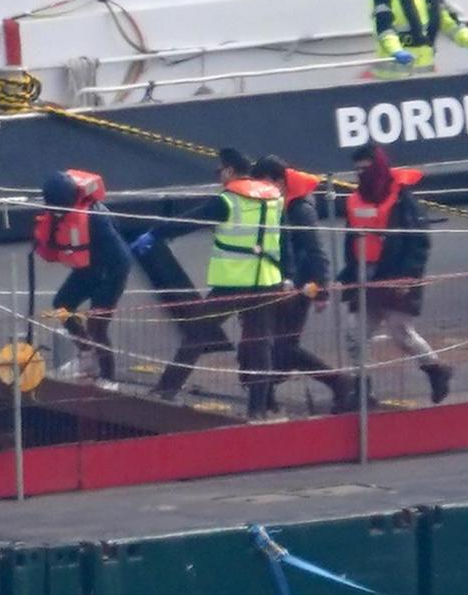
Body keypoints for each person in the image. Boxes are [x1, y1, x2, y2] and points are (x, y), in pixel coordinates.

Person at [146, 148, 287, 413]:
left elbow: (189, 221)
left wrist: (155, 232)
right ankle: (257, 410)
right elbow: (284, 240)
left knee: (196, 332)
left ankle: (166, 390)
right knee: (261, 346)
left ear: (231, 171)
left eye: (219, 170)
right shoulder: (274, 198)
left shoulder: (227, 200)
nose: (218, 176)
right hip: (268, 281)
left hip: (233, 282)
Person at [341, 147, 453, 403]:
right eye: (357, 169)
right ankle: (362, 391)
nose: (361, 174)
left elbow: (419, 242)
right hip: (363, 274)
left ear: (378, 166)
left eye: (366, 168)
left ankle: (436, 370)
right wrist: (347, 274)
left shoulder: (402, 199)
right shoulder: (355, 200)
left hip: (395, 274)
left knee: (400, 332)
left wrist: (408, 277)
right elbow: (351, 240)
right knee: (355, 334)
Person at [249, 155, 357, 414]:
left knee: (283, 347)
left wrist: (322, 289)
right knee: (273, 344)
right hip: (281, 285)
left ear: (278, 180)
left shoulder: (299, 209)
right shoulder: (281, 204)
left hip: (300, 288)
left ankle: (339, 382)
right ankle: (268, 394)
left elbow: (316, 251)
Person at [33, 170, 131, 388]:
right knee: (62, 304)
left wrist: (104, 288)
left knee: (98, 326)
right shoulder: (57, 214)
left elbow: (119, 257)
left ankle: (108, 378)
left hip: (111, 271)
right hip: (89, 268)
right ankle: (86, 355)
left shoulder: (96, 219)